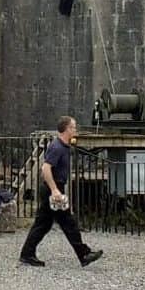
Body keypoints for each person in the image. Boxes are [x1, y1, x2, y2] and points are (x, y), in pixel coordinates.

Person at [19, 115, 103, 268]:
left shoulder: (62, 146)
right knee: (67, 222)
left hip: (54, 188)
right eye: (73, 127)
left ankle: (27, 254)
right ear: (67, 129)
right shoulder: (57, 147)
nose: (75, 130)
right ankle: (83, 254)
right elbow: (45, 168)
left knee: (43, 224)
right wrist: (55, 190)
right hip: (53, 189)